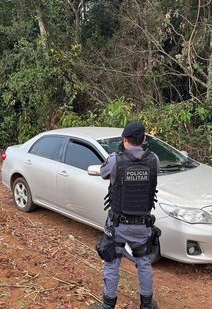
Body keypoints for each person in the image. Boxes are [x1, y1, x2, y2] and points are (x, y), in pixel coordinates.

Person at [92, 121, 160, 309]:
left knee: (112, 263)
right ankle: (146, 305)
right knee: (144, 263)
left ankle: (108, 306)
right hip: (143, 225)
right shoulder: (154, 159)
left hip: (118, 226)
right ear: (144, 139)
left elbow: (104, 174)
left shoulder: (115, 160)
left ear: (124, 140)